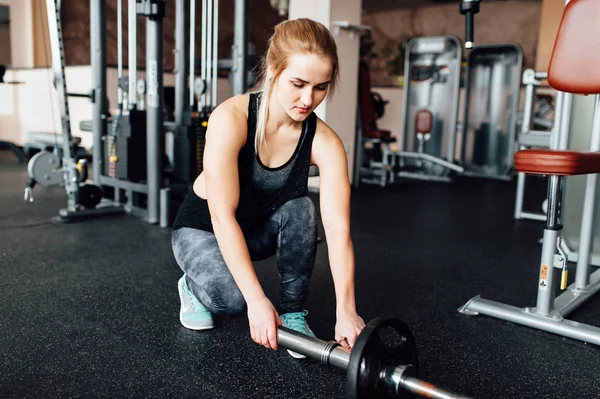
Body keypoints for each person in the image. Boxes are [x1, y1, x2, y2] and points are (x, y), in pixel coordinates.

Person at [171, 18, 365, 357]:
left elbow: (337, 229)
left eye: (321, 87)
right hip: (203, 229)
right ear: (274, 70)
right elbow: (221, 216)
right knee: (231, 300)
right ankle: (191, 285)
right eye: (298, 83)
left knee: (301, 207)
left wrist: (346, 309)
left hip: (255, 230)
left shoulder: (325, 142)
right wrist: (256, 299)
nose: (309, 99)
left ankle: (293, 313)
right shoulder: (231, 119)